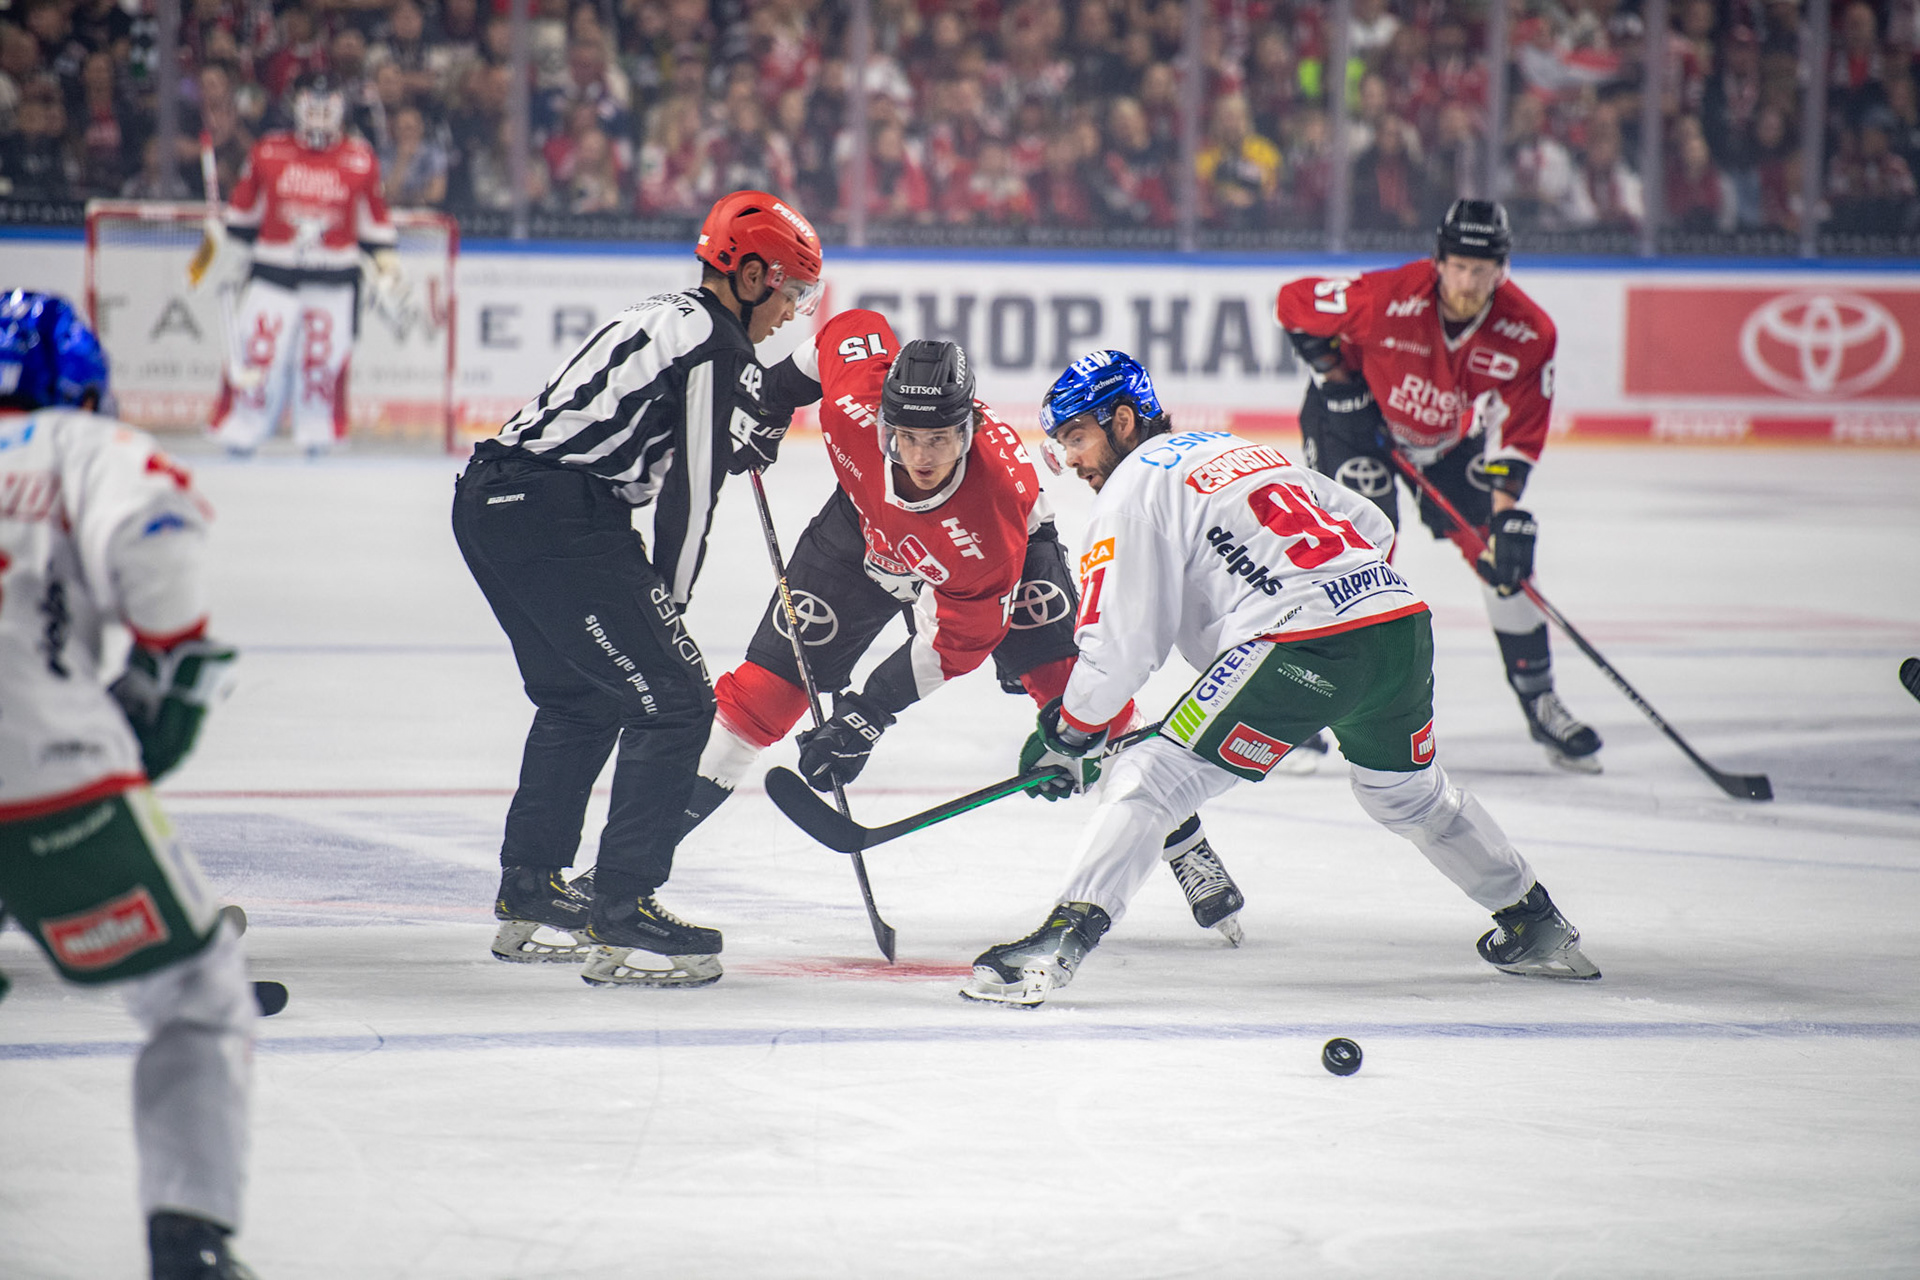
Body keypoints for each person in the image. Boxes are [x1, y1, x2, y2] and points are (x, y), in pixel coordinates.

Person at [960, 349, 1599, 1007]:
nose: (1069, 458)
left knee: (1149, 776)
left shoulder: (1133, 486)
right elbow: (1371, 527)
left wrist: (1070, 730)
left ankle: (1054, 949)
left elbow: (1123, 645)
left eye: (1075, 435)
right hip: (1397, 628)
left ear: (1123, 420)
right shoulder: (1245, 451)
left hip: (1300, 646)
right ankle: (1536, 924)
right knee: (1407, 796)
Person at [681, 310, 1249, 944]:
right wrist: (775, 396)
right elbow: (848, 329)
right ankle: (634, 862)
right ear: (884, 423)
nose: (922, 458)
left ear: (971, 428)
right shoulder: (852, 407)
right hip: (860, 528)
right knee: (763, 695)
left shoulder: (990, 522)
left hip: (997, 551)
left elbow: (958, 640)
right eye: (908, 437)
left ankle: (1185, 843)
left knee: (1083, 705)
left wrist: (868, 713)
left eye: (943, 439)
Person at [452, 191, 821, 988]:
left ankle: (531, 891)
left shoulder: (669, 315)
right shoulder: (717, 347)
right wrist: (668, 606)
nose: (792, 311)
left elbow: (661, 433)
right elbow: (689, 496)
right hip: (560, 521)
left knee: (581, 700)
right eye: (790, 290)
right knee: (679, 699)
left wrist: (733, 437)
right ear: (751, 275)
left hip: (492, 501)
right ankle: (621, 904)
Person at [0, 291, 257, 1277]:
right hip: (48, 774)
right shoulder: (78, 444)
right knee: (199, 993)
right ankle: (188, 1238)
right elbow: (157, 542)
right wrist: (173, 665)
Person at [1274, 199, 1603, 772]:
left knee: (1504, 560)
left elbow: (1519, 429)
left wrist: (1504, 518)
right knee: (1354, 562)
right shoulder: (1387, 297)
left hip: (1448, 443)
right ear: (1438, 260)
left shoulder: (1529, 332)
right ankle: (1299, 704)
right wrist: (1336, 380)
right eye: (1458, 266)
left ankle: (1540, 699)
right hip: (1354, 430)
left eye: (1483, 270)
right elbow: (1293, 303)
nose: (1469, 282)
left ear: (1502, 268)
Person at [195, 72, 404, 458]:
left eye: (328, 107)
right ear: (299, 107)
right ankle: (243, 429)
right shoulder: (269, 152)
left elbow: (374, 227)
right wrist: (218, 253)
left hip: (334, 283)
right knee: (259, 352)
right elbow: (242, 219)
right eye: (313, 105)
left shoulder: (359, 158)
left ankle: (318, 433)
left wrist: (388, 268)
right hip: (272, 278)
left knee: (321, 361)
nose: (320, 115)